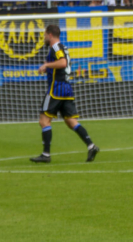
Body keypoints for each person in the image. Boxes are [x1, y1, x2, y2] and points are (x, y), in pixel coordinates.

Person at [30, 25, 99, 163]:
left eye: (44, 35)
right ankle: (91, 146)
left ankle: (46, 155)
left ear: (50, 35)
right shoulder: (63, 48)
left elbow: (62, 63)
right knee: (70, 121)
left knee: (44, 120)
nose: (44, 37)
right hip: (66, 88)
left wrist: (47, 65)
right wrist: (48, 68)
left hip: (56, 89)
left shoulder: (56, 47)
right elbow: (62, 65)